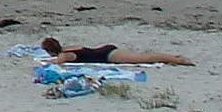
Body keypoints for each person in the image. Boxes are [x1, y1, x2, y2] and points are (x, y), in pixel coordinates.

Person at [41, 36, 192, 66]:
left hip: (108, 56)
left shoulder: (64, 55)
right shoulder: (68, 48)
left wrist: (46, 62)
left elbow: (56, 63)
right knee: (142, 57)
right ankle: (174, 58)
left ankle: (178, 59)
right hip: (105, 49)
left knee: (144, 58)